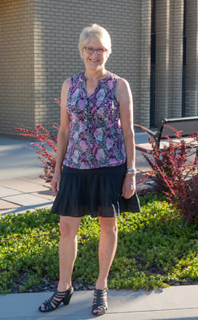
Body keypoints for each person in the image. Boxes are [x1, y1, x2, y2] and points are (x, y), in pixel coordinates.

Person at [39, 24, 140, 316]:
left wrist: (130, 172)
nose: (95, 54)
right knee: (66, 229)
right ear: (81, 51)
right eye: (89, 49)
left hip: (110, 168)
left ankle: (100, 287)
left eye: (100, 49)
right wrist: (57, 170)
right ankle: (63, 288)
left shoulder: (119, 85)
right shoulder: (69, 84)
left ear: (108, 51)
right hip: (74, 167)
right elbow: (63, 131)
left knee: (108, 227)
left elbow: (128, 133)